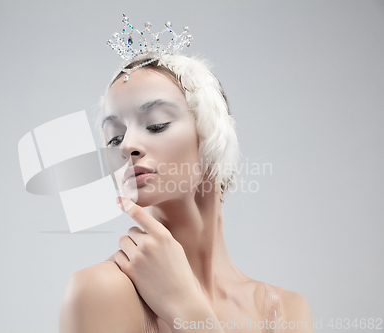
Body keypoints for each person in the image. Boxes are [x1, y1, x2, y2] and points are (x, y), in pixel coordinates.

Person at [59, 21, 314, 333]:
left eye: (157, 123)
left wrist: (186, 309)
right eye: (114, 138)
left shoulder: (285, 311)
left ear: (210, 133)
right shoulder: (101, 290)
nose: (126, 146)